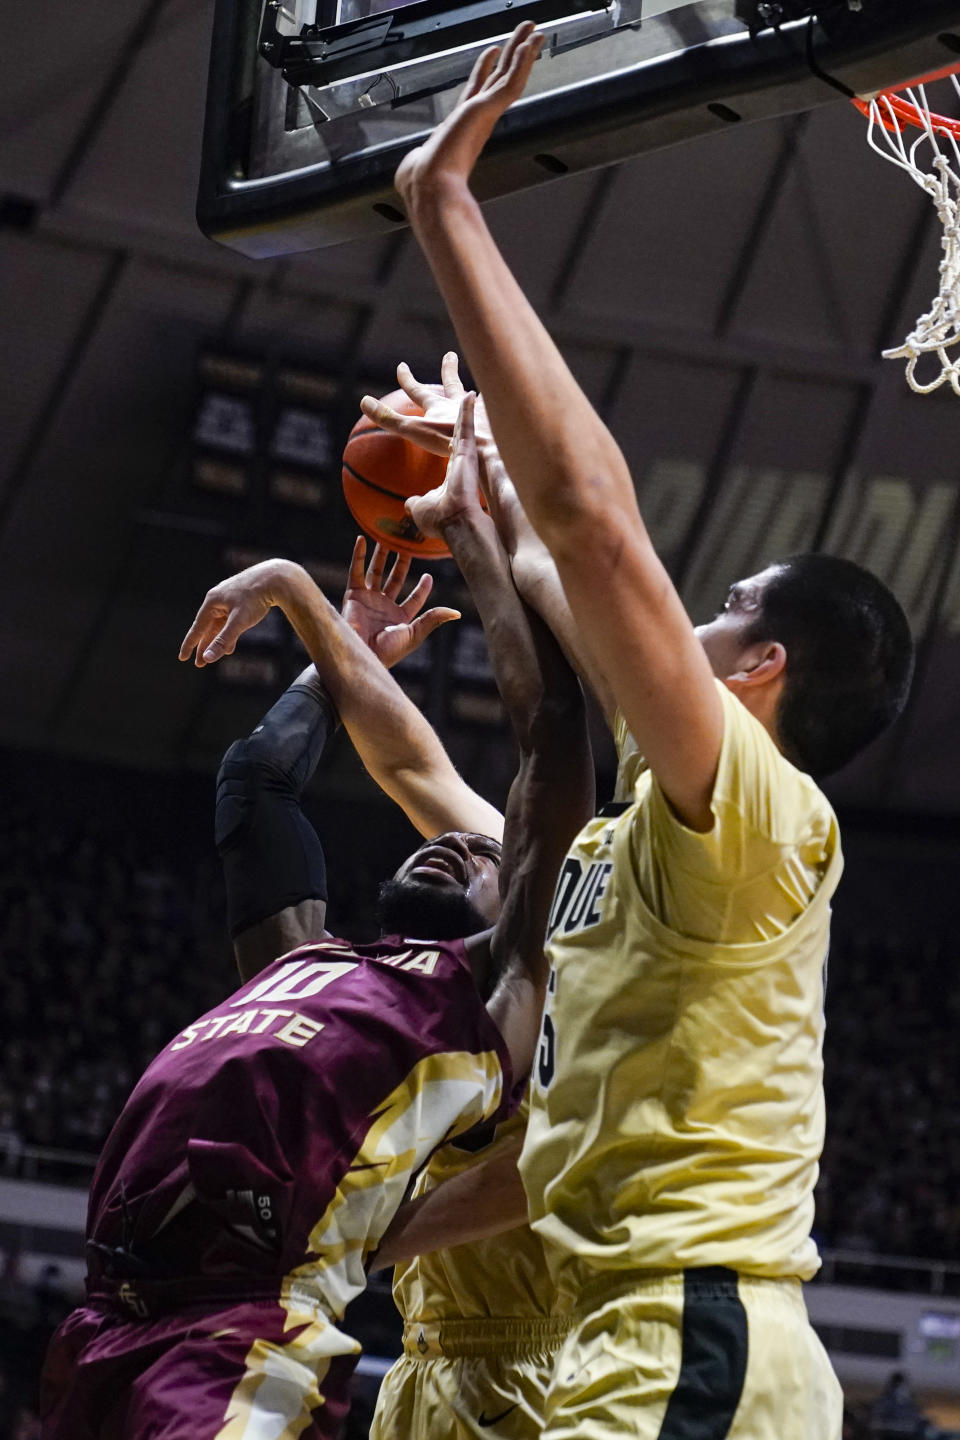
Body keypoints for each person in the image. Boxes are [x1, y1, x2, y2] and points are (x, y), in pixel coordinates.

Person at [363, 25, 915, 1440]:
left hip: (693, 1335)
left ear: (763, 670)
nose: (691, 623)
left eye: (722, 609)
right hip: (629, 1338)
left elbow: (598, 540)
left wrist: (447, 211)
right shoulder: (634, 849)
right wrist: (481, 485)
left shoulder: (761, 807)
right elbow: (568, 584)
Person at [39, 410, 593, 1440]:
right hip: (103, 1327)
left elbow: (552, 742)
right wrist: (322, 615)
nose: (459, 843)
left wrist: (479, 529)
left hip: (242, 1332)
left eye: (487, 855)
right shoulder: (304, 955)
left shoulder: (495, 991)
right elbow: (256, 783)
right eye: (457, 840)